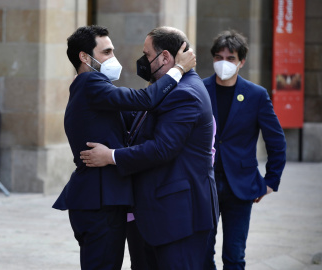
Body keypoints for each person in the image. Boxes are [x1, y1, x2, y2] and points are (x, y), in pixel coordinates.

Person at [52, 25, 196, 269]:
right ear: (85, 58)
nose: (113, 58)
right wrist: (178, 69)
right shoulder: (89, 82)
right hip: (98, 201)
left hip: (102, 200)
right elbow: (144, 100)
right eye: (106, 52)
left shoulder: (94, 87)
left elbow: (138, 111)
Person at [80, 26, 218, 269]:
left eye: (147, 55)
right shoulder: (172, 88)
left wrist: (110, 156)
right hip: (158, 215)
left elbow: (162, 149)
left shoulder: (184, 93)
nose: (142, 62)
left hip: (177, 218)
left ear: (165, 57)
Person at [202, 30, 286, 270]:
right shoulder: (199, 89)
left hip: (241, 185)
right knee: (202, 251)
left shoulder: (256, 95)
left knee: (235, 255)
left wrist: (271, 181)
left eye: (230, 58)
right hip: (204, 183)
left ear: (242, 62)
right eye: (219, 57)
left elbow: (276, 141)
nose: (223, 63)